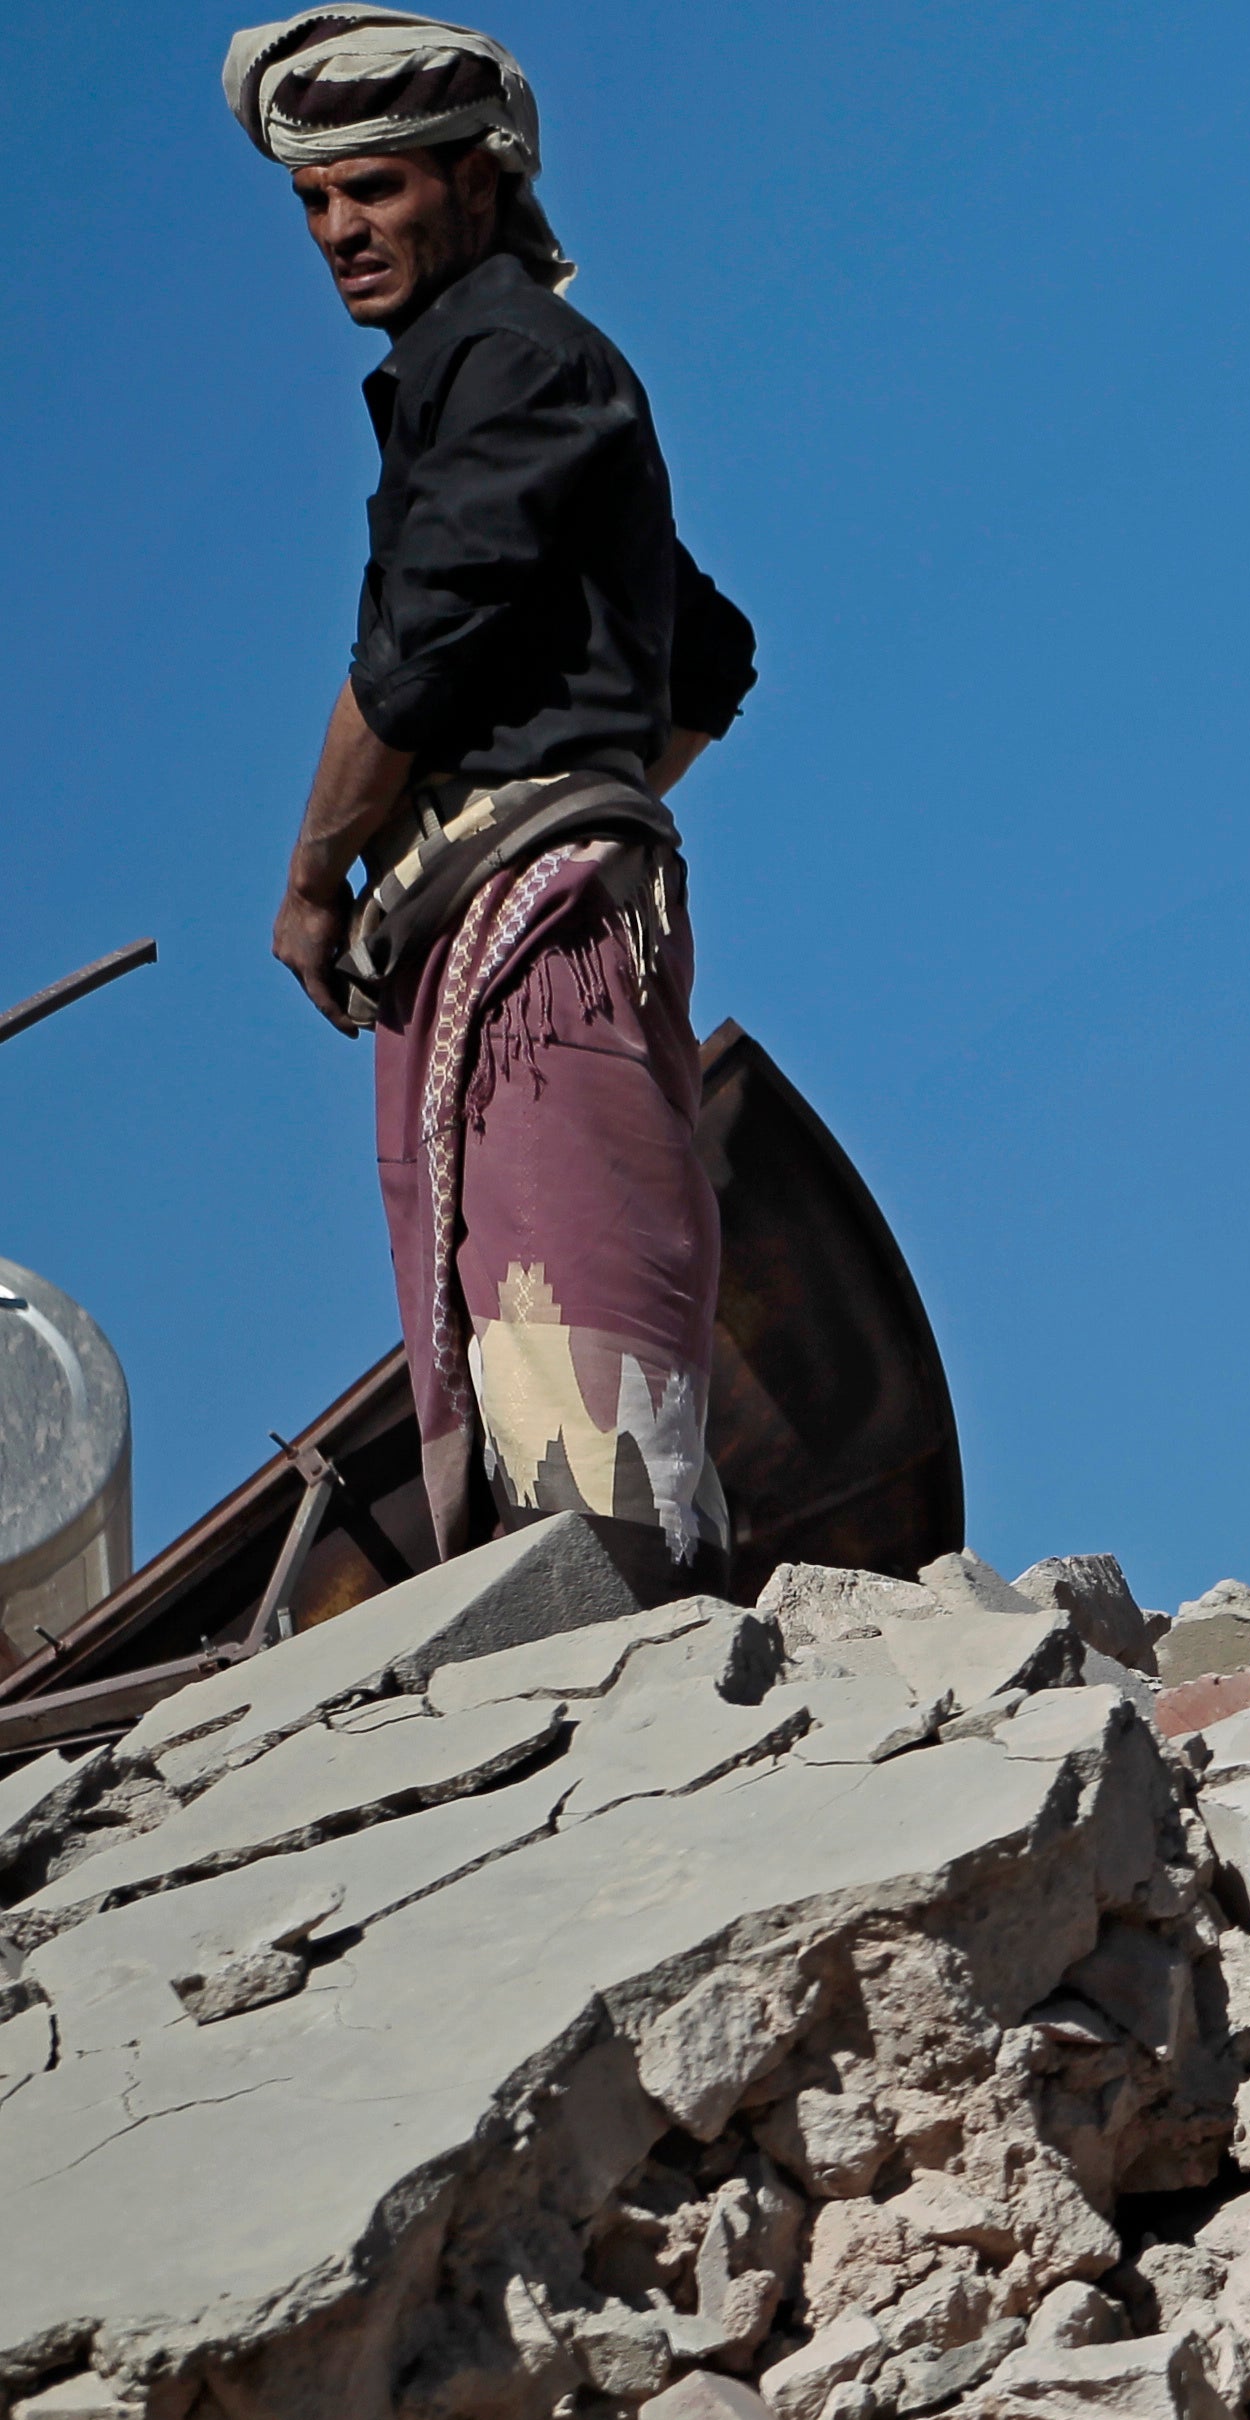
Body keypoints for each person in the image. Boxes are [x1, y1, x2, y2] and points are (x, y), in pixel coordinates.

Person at [233, 11, 758, 1596]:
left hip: (539, 951)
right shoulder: (492, 373)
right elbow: (708, 653)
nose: (338, 232)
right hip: (498, 923)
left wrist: (324, 876)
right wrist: (587, 786)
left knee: (572, 1348)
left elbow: (410, 662)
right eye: (316, 204)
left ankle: (644, 1657)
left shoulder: (515, 359)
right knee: (514, 1331)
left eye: (374, 191)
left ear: (479, 179)